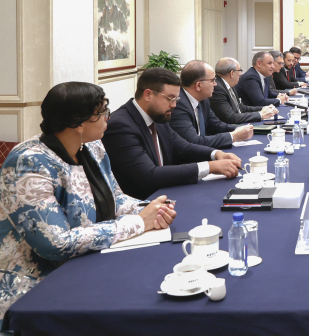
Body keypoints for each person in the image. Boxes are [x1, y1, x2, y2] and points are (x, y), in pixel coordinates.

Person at [0, 82, 177, 321]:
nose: (108, 117)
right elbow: (56, 244)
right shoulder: (28, 162)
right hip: (36, 286)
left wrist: (152, 210)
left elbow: (116, 198)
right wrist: (138, 223)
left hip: (90, 262)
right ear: (78, 122)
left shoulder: (92, 146)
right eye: (102, 112)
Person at [102, 68, 241, 200]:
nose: (174, 105)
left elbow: (183, 147)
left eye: (176, 99)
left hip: (166, 194)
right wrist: (210, 167)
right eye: (170, 98)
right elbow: (149, 175)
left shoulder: (158, 115)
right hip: (143, 203)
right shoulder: (120, 126)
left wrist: (216, 154)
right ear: (148, 94)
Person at [169, 60, 254, 149]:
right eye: (212, 80)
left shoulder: (203, 99)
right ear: (198, 85)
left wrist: (239, 129)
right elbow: (194, 141)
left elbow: (216, 125)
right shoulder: (178, 105)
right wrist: (233, 136)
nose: (215, 84)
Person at [210, 57, 278, 124]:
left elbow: (242, 108)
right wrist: (260, 114)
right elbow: (231, 118)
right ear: (232, 73)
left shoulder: (229, 85)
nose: (241, 74)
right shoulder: (218, 89)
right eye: (240, 70)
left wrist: (264, 108)